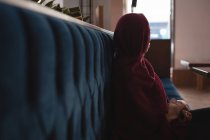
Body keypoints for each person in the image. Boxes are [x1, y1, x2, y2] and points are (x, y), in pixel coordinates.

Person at [111, 13, 192, 140]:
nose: (149, 40)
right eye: (146, 35)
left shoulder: (139, 63)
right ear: (136, 38)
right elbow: (143, 126)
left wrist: (174, 107)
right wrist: (172, 114)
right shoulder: (128, 75)